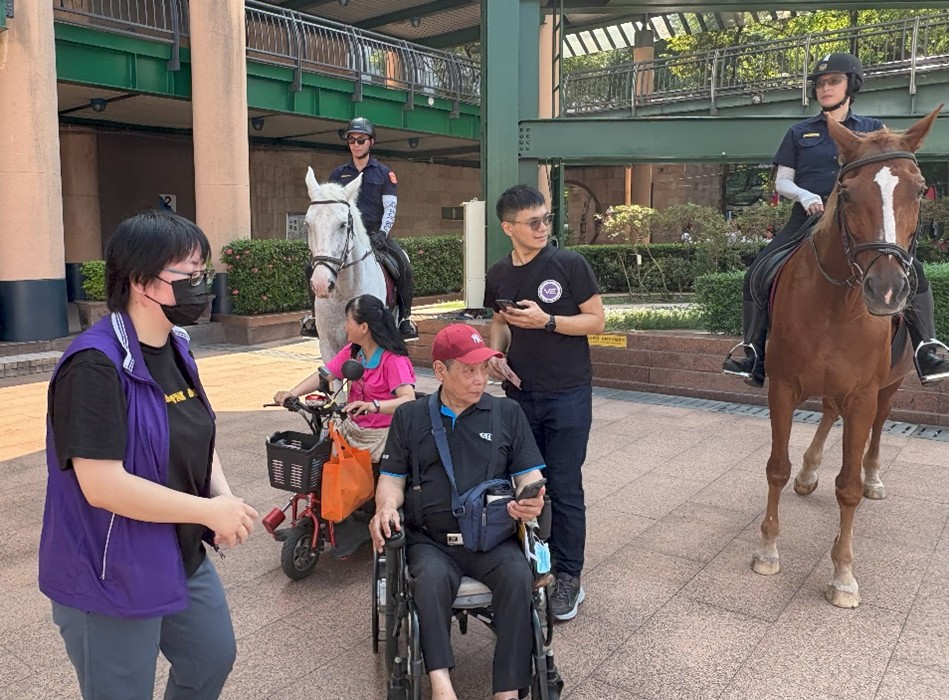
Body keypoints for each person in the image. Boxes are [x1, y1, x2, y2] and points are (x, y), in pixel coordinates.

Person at [39, 210, 259, 700]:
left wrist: (222, 498)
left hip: (178, 551)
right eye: (189, 274)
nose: (201, 286)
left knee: (210, 658)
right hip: (110, 568)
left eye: (203, 272)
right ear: (141, 281)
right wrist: (207, 510)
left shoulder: (177, 347)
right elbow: (102, 486)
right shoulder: (93, 366)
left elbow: (194, 433)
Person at [723, 52, 949, 388]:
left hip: (860, 221)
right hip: (808, 218)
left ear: (851, 85)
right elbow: (782, 180)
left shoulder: (873, 130)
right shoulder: (799, 132)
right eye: (820, 83)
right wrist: (804, 195)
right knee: (759, 270)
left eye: (833, 81)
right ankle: (753, 351)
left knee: (913, 270)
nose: (825, 88)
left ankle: (926, 347)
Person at [369, 324, 547, 700]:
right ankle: (441, 684)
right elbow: (391, 479)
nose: (479, 378)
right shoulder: (411, 417)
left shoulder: (507, 414)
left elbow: (528, 476)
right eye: (468, 370)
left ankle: (508, 692)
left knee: (518, 578)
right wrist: (385, 507)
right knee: (429, 582)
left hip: (493, 537)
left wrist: (532, 498)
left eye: (483, 368)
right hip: (431, 540)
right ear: (440, 371)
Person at [483, 184, 605, 622]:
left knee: (566, 485)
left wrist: (547, 321)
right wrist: (495, 354)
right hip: (519, 394)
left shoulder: (569, 263)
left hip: (569, 393)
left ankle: (570, 576)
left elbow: (597, 319)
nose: (542, 228)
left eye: (546, 219)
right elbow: (498, 321)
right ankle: (531, 563)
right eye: (533, 222)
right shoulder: (499, 272)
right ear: (508, 227)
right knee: (525, 484)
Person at [274, 294, 417, 556]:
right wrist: (292, 394)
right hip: (353, 428)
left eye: (348, 321)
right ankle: (320, 519)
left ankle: (355, 521)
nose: (344, 326)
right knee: (320, 459)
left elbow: (407, 399)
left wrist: (374, 405)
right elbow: (324, 375)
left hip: (383, 434)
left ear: (364, 327)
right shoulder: (354, 353)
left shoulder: (393, 360)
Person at [329, 116, 419, 341]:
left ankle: (404, 319)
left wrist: (382, 233)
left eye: (361, 139)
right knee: (312, 267)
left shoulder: (384, 173)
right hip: (346, 236)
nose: (356, 144)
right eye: (352, 139)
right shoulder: (338, 175)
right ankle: (314, 316)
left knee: (403, 266)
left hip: (374, 235)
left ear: (371, 142)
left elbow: (390, 208)